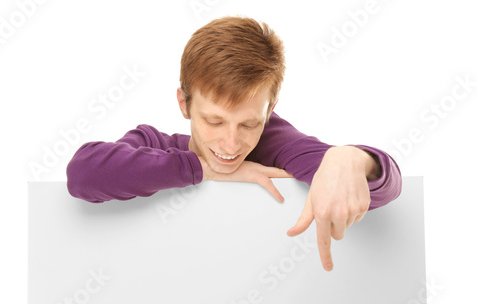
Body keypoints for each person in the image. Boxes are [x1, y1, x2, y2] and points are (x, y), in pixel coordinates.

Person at [66, 16, 402, 272]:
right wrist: (204, 171)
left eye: (249, 124)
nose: (231, 143)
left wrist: (350, 161)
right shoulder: (153, 144)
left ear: (269, 111)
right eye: (214, 121)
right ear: (184, 104)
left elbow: (382, 185)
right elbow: (83, 174)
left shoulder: (273, 142)